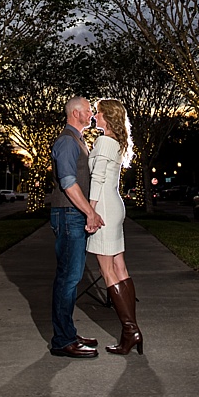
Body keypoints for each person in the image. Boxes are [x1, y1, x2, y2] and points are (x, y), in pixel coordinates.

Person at [86, 98, 143, 355]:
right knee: (120, 266)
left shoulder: (105, 142)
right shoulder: (117, 144)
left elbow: (97, 179)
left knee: (107, 270)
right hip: (115, 205)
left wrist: (90, 212)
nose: (94, 117)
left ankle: (130, 331)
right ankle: (132, 331)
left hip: (105, 208)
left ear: (107, 116)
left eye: (97, 113)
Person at [49, 96, 104, 359]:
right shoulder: (67, 142)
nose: (92, 114)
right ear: (75, 113)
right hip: (69, 215)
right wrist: (90, 212)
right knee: (67, 279)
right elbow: (68, 183)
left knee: (71, 278)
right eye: (89, 111)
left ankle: (67, 332)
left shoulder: (77, 140)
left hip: (73, 215)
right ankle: (62, 341)